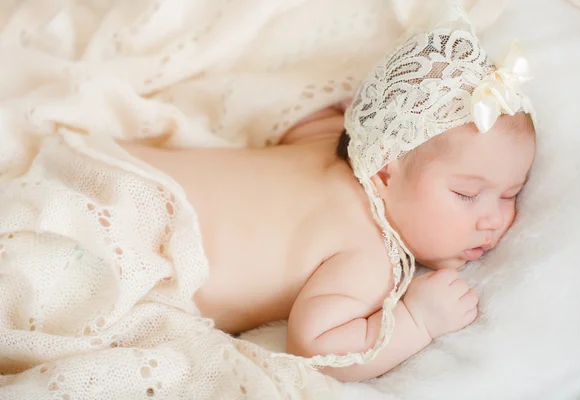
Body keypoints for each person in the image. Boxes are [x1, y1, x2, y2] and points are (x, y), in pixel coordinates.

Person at [121, 7, 537, 382]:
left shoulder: (328, 141)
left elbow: (308, 111)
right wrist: (415, 320)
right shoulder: (372, 254)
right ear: (384, 174)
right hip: (133, 253)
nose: (494, 219)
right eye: (467, 194)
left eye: (510, 195)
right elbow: (316, 346)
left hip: (126, 172)